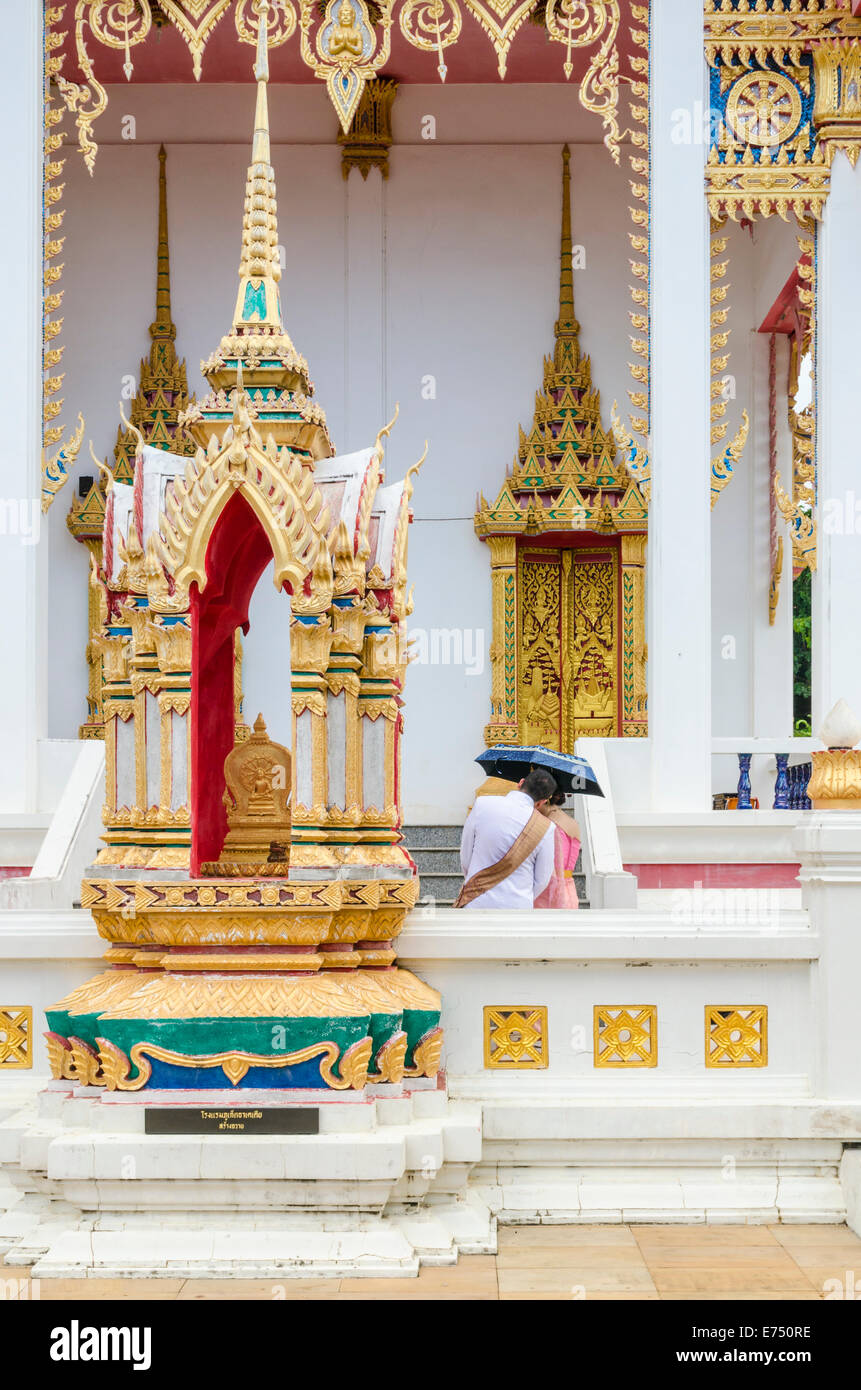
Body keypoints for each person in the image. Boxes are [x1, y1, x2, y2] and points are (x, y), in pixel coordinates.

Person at [456, 766, 557, 909]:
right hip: (517, 907)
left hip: (477, 901)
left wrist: (475, 883)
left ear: (521, 783)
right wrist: (521, 897)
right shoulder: (546, 827)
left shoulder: (482, 804)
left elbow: (466, 854)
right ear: (542, 802)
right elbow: (542, 880)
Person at [534, 792, 581, 910]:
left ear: (545, 799)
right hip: (570, 890)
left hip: (550, 893)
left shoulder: (549, 825)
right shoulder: (571, 821)